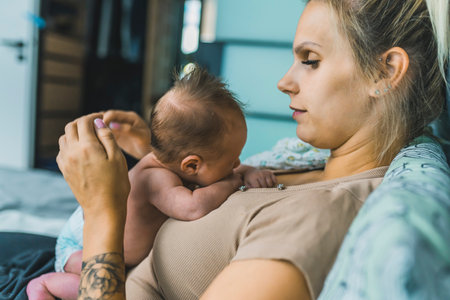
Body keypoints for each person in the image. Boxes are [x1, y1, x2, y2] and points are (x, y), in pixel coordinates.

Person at [55, 0, 449, 299]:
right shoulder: (305, 160)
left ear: (385, 72)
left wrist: (102, 210)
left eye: (309, 60)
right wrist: (156, 150)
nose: (284, 82)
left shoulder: (321, 216)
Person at [26, 67, 276, 300]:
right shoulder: (157, 178)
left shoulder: (173, 164)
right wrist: (235, 180)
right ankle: (43, 285)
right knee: (83, 286)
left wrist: (249, 171)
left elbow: (215, 172)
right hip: (78, 247)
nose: (237, 163)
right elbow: (193, 207)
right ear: (191, 165)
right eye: (233, 159)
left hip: (87, 236)